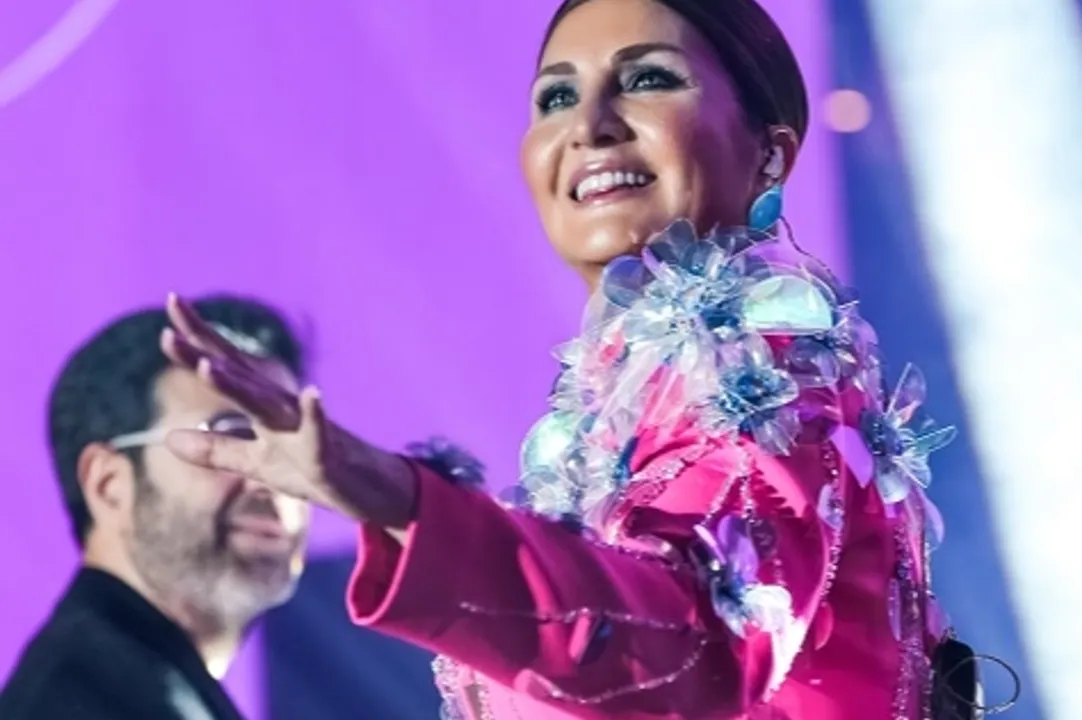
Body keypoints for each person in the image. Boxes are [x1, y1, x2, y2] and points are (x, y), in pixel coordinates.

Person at [156, 0, 980, 717]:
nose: (589, 125)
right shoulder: (620, 407)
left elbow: (699, 641)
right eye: (556, 97)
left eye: (648, 79)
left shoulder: (772, 372)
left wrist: (401, 500)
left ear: (769, 153)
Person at [0, 296, 310, 720]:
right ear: (109, 484)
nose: (272, 479)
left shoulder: (144, 684)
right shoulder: (80, 702)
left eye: (292, 449)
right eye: (232, 437)